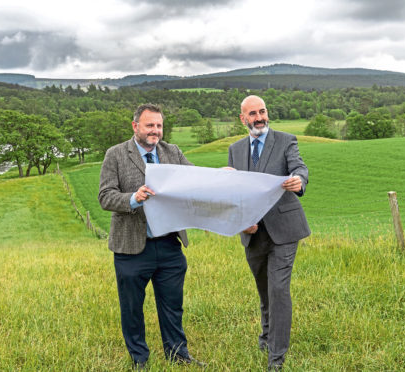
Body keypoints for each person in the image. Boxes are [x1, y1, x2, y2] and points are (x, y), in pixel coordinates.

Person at [98, 104, 204, 370]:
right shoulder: (116, 155)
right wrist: (134, 198)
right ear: (135, 126)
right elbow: (105, 196)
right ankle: (139, 360)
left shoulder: (172, 152)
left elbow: (196, 180)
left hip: (169, 245)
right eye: (149, 126)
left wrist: (221, 177)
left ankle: (178, 356)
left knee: (172, 306)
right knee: (132, 308)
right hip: (131, 248)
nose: (155, 131)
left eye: (159, 126)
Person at [228, 95, 311, 371]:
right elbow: (234, 193)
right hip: (252, 233)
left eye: (262, 111)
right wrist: (242, 221)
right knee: (264, 290)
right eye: (252, 114)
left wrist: (299, 180)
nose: (259, 117)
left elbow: (299, 167)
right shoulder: (235, 150)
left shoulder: (286, 141)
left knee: (278, 290)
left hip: (284, 230)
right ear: (243, 119)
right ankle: (266, 336)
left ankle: (276, 357)